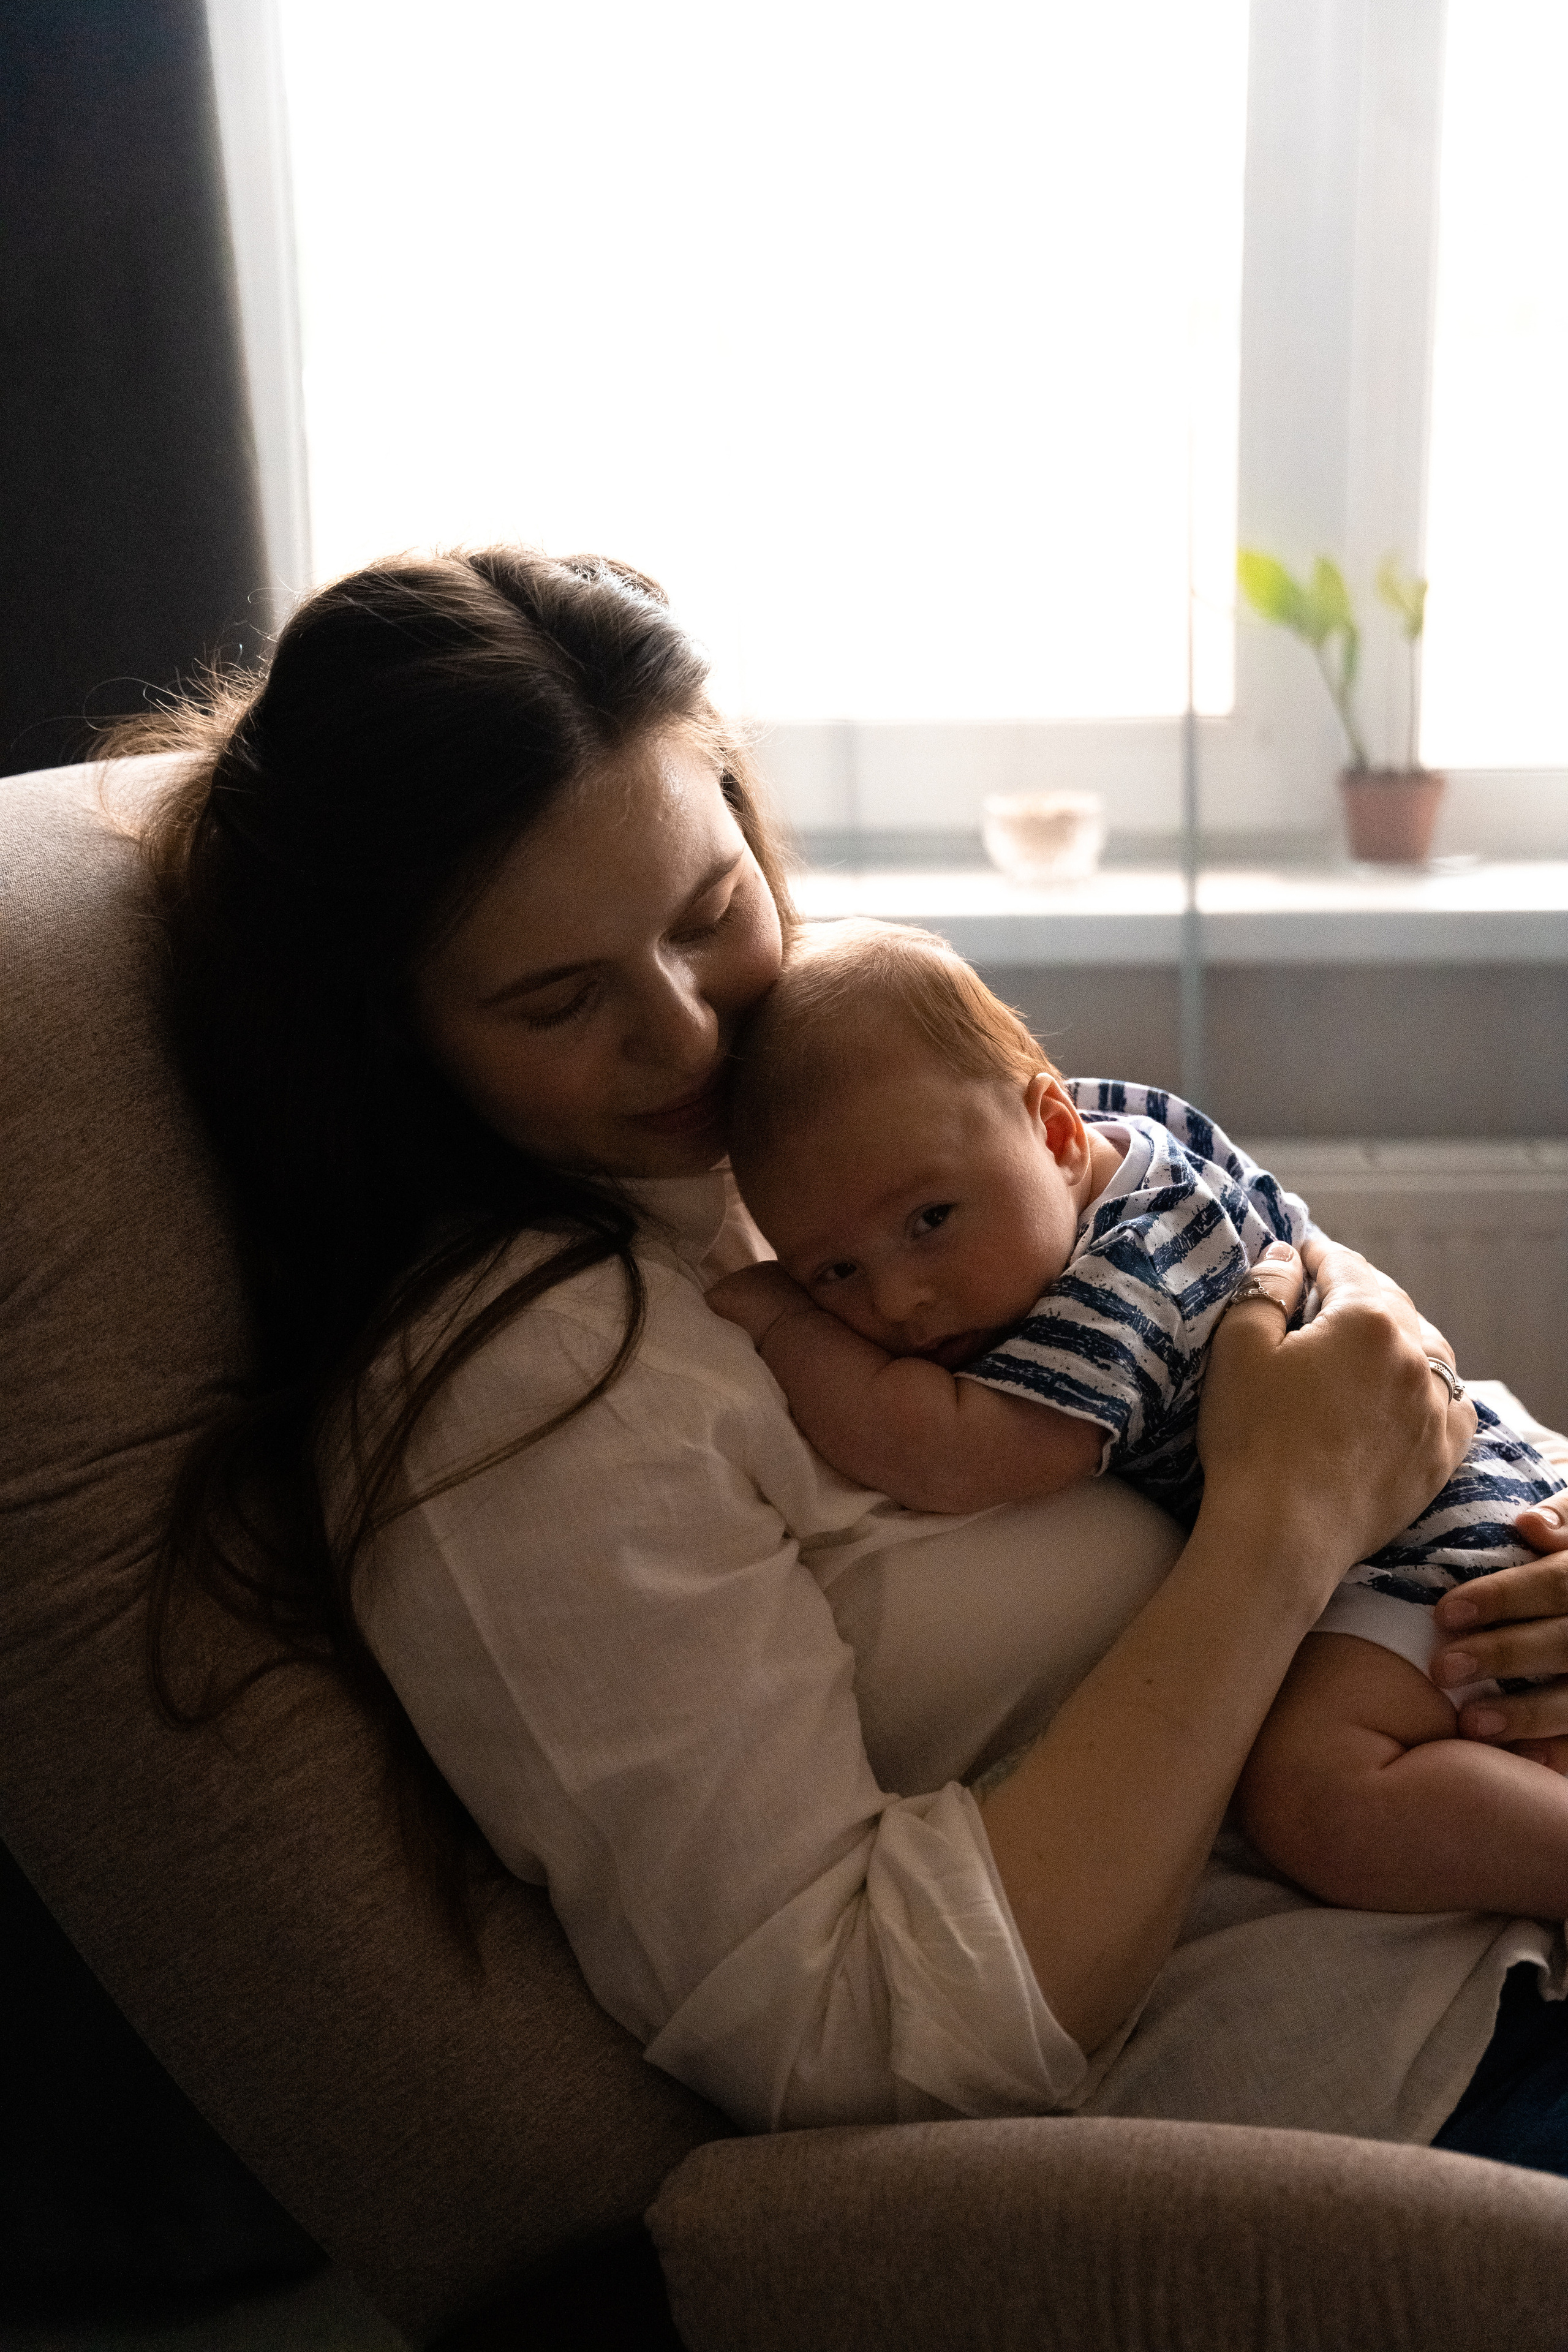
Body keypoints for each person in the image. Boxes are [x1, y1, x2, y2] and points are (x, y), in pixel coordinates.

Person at [134, 547, 1568, 2162]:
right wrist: (1280, 1527)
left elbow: (1276, 1306)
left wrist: (1506, 1555)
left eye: (709, 913)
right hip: (1395, 2068)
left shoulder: (784, 1153)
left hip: (1471, 1862)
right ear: (391, 1034)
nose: (686, 1032)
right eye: (556, 1002)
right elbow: (852, 2038)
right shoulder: (518, 1391)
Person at [706, 918, 1568, 1924]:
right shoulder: (1131, 1137)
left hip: (1418, 1551)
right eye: (835, 1271)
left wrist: (784, 1317)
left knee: (1316, 1794)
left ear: (1055, 1134)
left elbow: (948, 1452)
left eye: (930, 1221)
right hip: (1456, 1491)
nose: (898, 1301)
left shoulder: (1123, 1279)